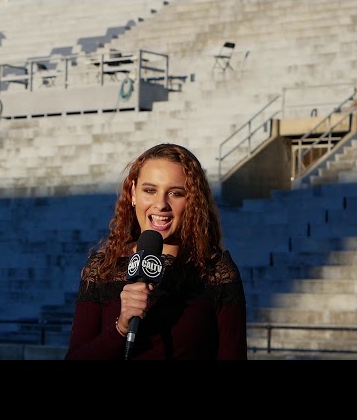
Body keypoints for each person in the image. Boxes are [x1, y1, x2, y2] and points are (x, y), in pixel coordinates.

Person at [65, 143, 247, 360]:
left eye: (176, 193)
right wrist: (120, 328)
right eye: (150, 190)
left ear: (193, 201)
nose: (161, 204)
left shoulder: (217, 272)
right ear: (133, 193)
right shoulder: (102, 267)